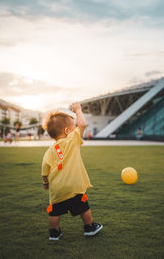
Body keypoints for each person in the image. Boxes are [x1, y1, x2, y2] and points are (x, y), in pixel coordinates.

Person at [41, 103, 103, 241]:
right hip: (74, 187)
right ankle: (89, 227)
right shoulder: (72, 140)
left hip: (57, 189)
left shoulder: (50, 150)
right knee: (83, 207)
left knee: (54, 211)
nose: (76, 128)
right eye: (73, 126)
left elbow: (45, 168)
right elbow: (82, 125)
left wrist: (45, 183)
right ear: (68, 131)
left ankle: (54, 233)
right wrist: (78, 110)